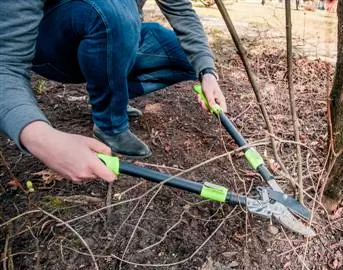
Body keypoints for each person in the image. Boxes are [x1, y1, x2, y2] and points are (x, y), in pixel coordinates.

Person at [0, 0, 226, 183]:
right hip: (59, 41)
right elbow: (6, 65)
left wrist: (207, 72)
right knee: (112, 12)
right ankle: (110, 123)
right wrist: (41, 138)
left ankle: (110, 87)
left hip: (120, 29)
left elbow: (181, 10)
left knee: (190, 60)